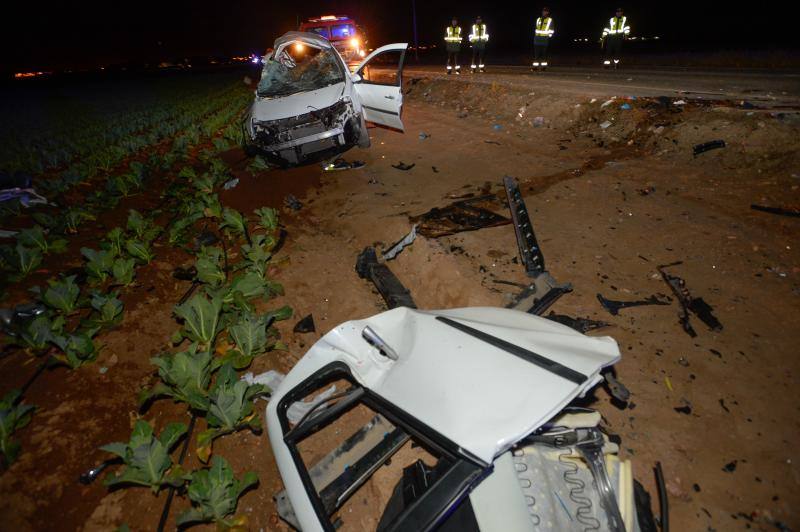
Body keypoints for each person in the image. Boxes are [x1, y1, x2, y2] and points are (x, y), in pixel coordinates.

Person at [533, 7, 554, 71]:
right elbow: (536, 28)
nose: (544, 12)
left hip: (544, 40)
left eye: (545, 11)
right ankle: (535, 68)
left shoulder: (550, 20)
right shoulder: (538, 19)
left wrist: (548, 36)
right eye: (543, 11)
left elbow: (552, 30)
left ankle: (543, 67)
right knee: (536, 54)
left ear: (548, 12)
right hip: (537, 39)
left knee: (544, 55)